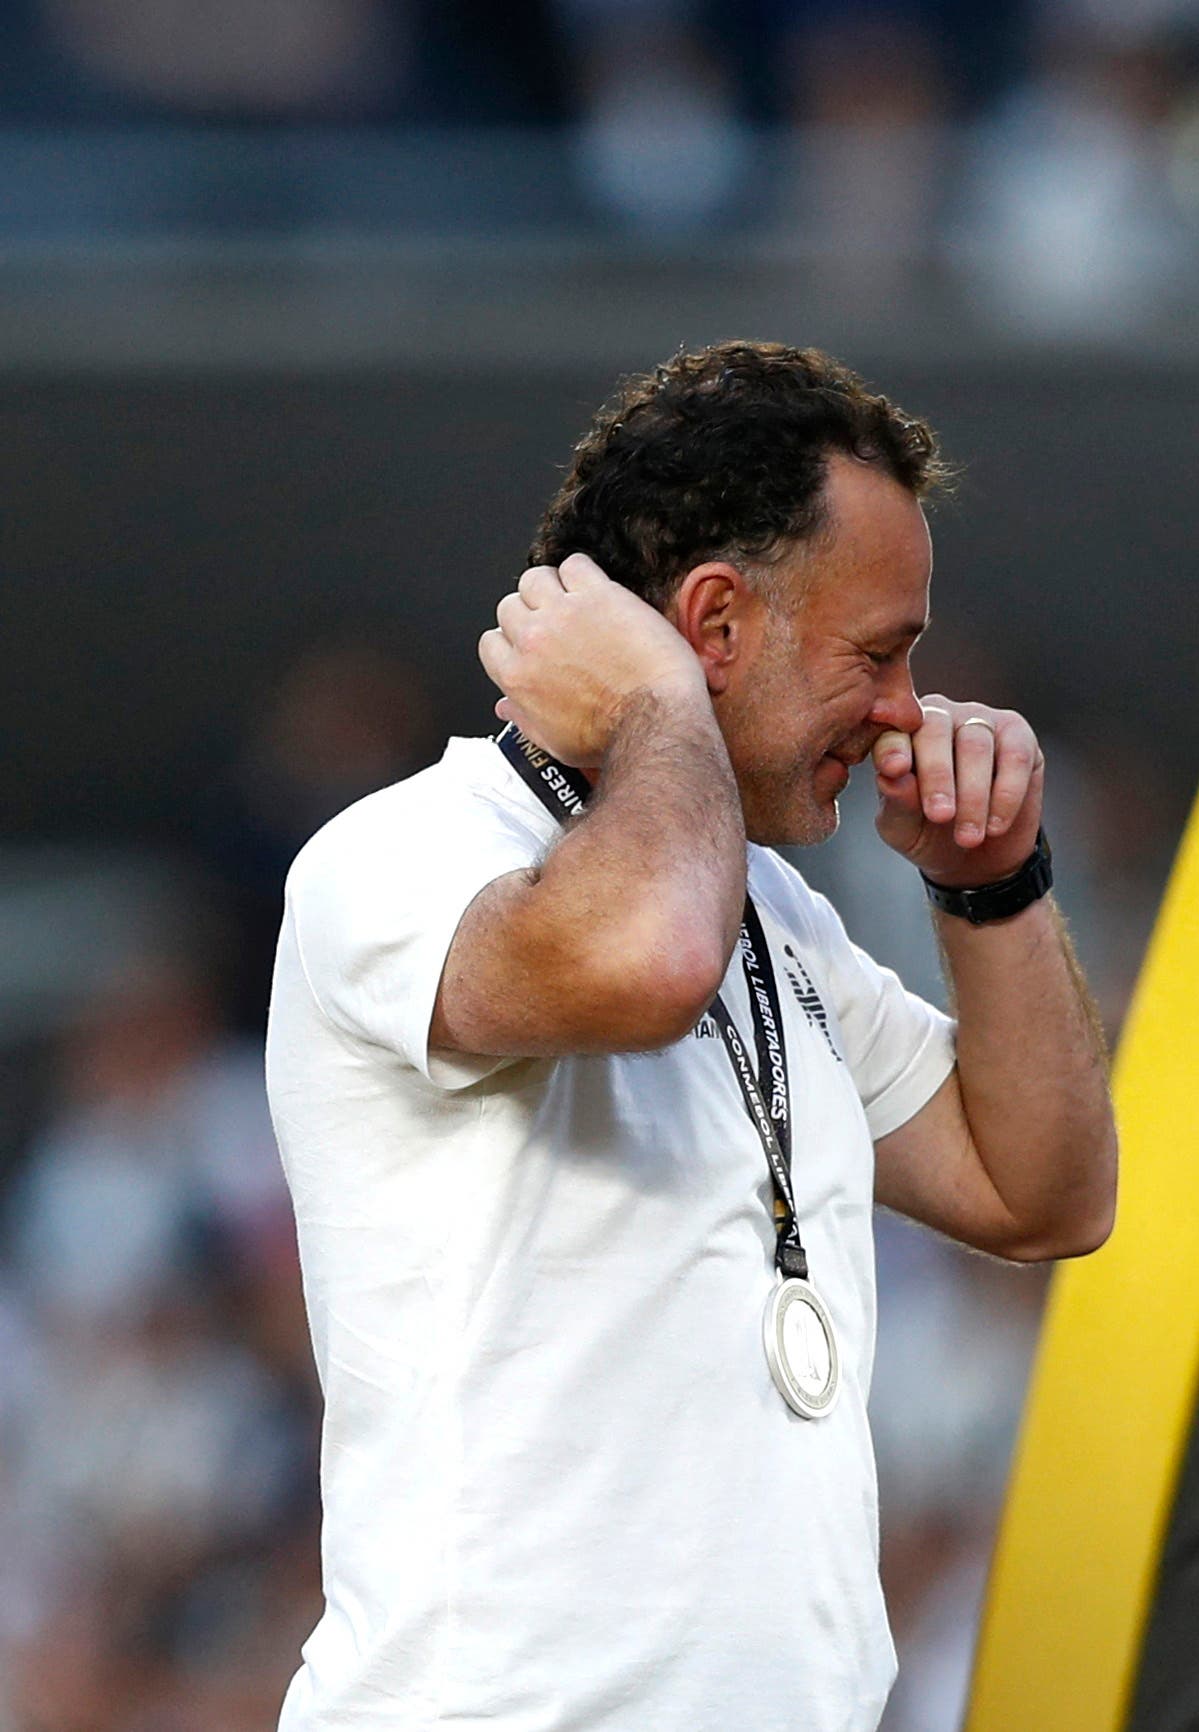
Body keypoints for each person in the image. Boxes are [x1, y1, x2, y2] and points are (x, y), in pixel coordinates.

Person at [261, 340, 1118, 1731]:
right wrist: (658, 705)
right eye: (879, 654)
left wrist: (993, 882)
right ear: (714, 623)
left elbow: (1046, 1193)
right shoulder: (399, 855)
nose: (906, 709)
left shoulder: (781, 919)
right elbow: (651, 961)